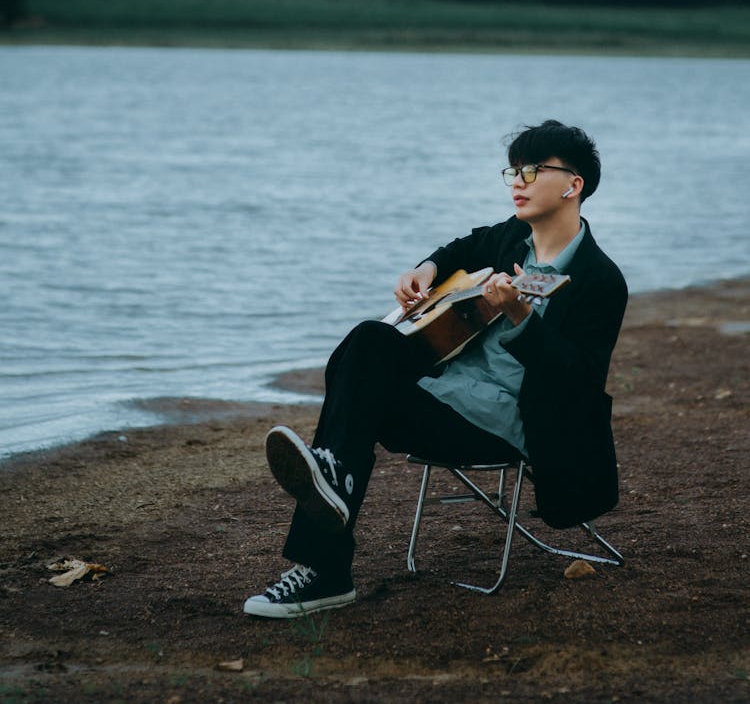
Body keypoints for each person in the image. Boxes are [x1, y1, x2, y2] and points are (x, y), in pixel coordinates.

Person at [243, 120, 628, 618]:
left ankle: (324, 567)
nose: (517, 181)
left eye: (532, 170)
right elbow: (459, 251)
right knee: (369, 339)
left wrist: (519, 317)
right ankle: (331, 489)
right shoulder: (510, 239)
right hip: (447, 394)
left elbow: (576, 384)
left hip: (507, 426)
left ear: (573, 185)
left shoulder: (600, 280)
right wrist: (425, 270)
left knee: (357, 398)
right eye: (512, 170)